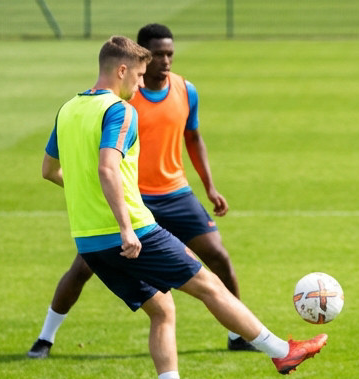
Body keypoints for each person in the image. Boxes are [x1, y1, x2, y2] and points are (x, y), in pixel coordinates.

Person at [41, 36, 326, 379]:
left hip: (90, 240)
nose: (140, 85)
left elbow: (50, 171)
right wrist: (126, 227)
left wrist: (87, 196)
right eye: (138, 75)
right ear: (121, 70)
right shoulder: (119, 111)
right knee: (208, 285)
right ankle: (281, 350)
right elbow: (107, 167)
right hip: (134, 233)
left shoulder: (69, 109)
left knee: (163, 310)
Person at [29, 22, 253, 358]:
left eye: (170, 54)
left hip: (176, 194)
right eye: (159, 54)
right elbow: (102, 164)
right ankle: (45, 338)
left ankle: (239, 335)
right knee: (81, 269)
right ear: (140, 59)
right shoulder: (122, 102)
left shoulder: (185, 91)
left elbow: (193, 138)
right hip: (134, 199)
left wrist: (209, 186)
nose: (166, 61)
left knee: (218, 256)